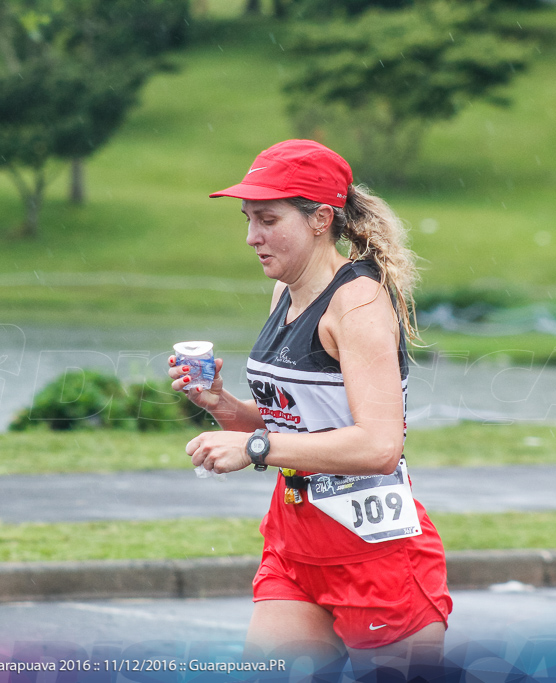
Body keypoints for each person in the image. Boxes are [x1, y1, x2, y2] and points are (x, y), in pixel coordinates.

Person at [168, 139, 451, 677]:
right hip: (296, 547)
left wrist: (254, 447)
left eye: (269, 219)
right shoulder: (284, 292)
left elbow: (379, 446)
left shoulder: (359, 303)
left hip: (376, 554)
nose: (252, 237)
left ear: (321, 218)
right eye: (248, 219)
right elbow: (297, 420)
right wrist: (224, 407)